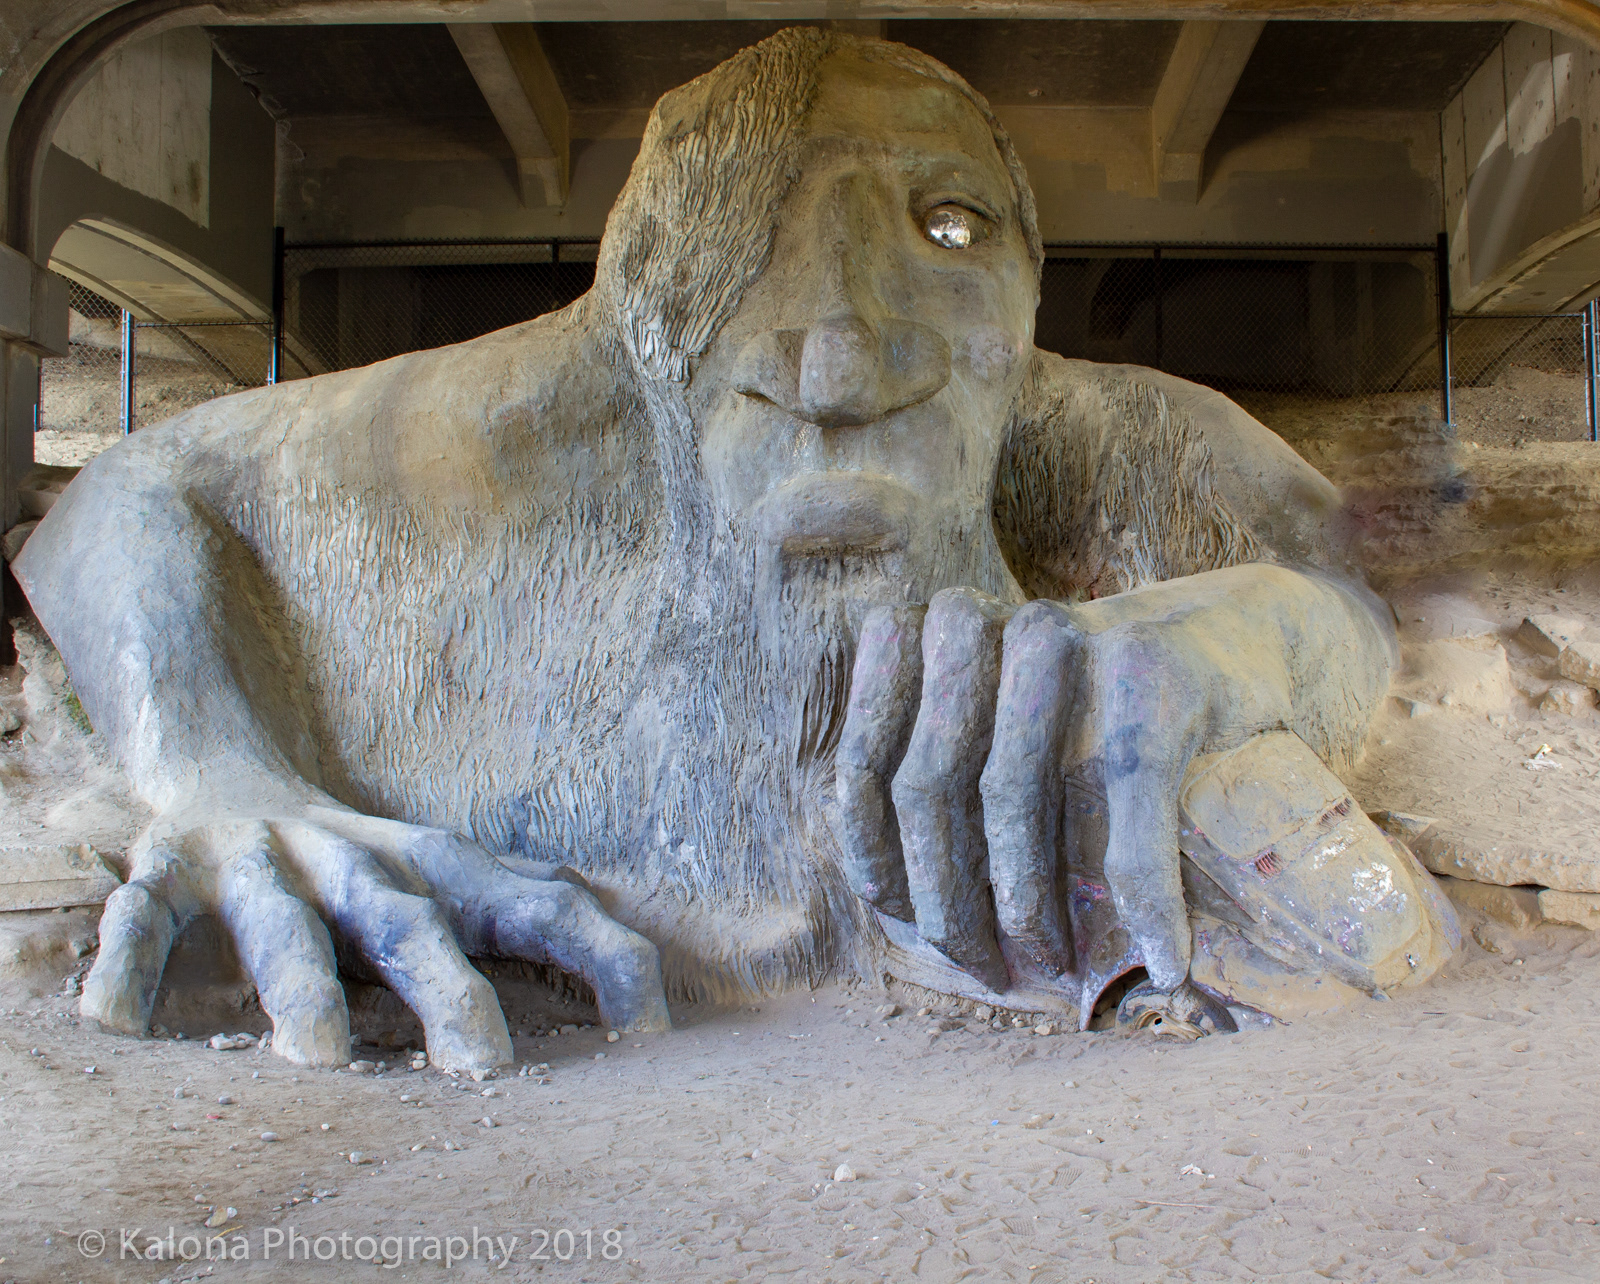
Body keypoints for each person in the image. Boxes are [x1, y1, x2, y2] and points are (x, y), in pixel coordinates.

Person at [15, 28, 1451, 1068]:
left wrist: (1235, 634)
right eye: (731, 238)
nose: (837, 364)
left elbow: (1341, 575)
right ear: (633, 319)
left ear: (1028, 283)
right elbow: (131, 491)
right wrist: (207, 770)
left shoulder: (1091, 430)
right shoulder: (544, 412)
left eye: (946, 225)